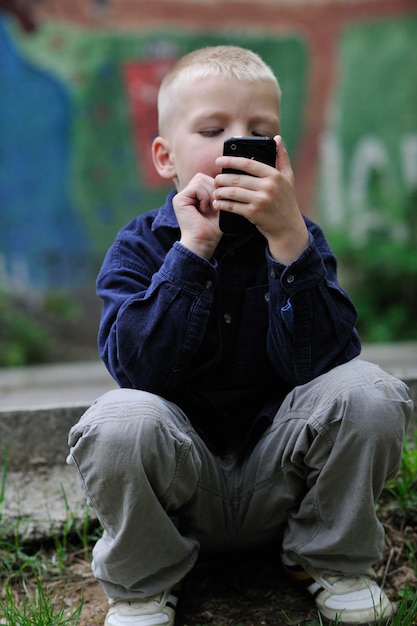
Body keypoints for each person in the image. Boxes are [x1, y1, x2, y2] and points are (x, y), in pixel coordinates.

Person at [67, 45, 413, 626]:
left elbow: (325, 365)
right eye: (213, 128)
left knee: (370, 390)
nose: (237, 143)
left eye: (260, 131)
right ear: (164, 157)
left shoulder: (300, 239)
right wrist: (192, 252)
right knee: (118, 418)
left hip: (283, 483)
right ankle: (146, 579)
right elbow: (139, 373)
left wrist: (288, 244)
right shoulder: (137, 248)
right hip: (185, 489)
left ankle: (329, 558)